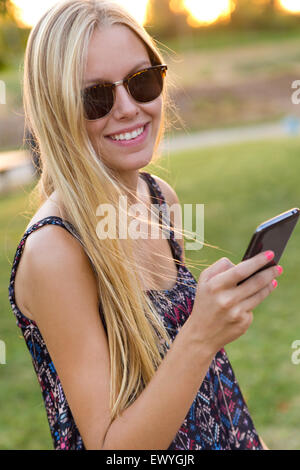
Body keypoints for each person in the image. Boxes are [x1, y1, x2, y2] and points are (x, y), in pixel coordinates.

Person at [8, 0, 281, 450]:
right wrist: (201, 334)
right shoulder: (56, 250)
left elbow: (205, 387)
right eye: (95, 96)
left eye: (142, 81)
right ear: (56, 111)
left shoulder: (158, 199)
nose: (128, 108)